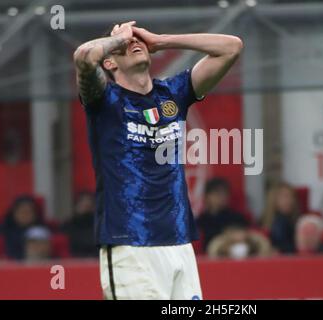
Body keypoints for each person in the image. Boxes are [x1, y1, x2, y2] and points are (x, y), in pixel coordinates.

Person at [73, 21, 242, 300]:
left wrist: (162, 40)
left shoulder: (173, 94)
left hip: (179, 242)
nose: (133, 42)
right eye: (125, 45)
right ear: (110, 63)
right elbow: (83, 56)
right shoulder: (105, 100)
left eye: (136, 40)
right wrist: (118, 39)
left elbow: (231, 48)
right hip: (130, 245)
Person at [196, 178, 249, 251]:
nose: (222, 197)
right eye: (218, 194)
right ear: (207, 196)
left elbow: (246, 234)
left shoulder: (236, 217)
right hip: (214, 254)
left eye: (225, 193)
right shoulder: (201, 220)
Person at [0, 196, 46, 260]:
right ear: (14, 213)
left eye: (28, 212)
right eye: (22, 212)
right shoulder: (0, 231)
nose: (25, 215)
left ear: (35, 213)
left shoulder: (43, 231)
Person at [261, 182, 300, 254]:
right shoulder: (266, 221)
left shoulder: (298, 221)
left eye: (292, 196)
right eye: (285, 196)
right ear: (273, 199)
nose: (289, 201)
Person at [61, 192, 98, 258]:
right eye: (83, 205)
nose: (86, 208)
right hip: (73, 262)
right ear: (76, 206)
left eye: (89, 206)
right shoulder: (67, 225)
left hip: (95, 261)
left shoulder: (99, 227)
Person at [207, 226, 272, 260]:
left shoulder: (252, 244)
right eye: (235, 242)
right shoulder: (223, 246)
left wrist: (251, 237)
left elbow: (264, 246)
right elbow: (212, 250)